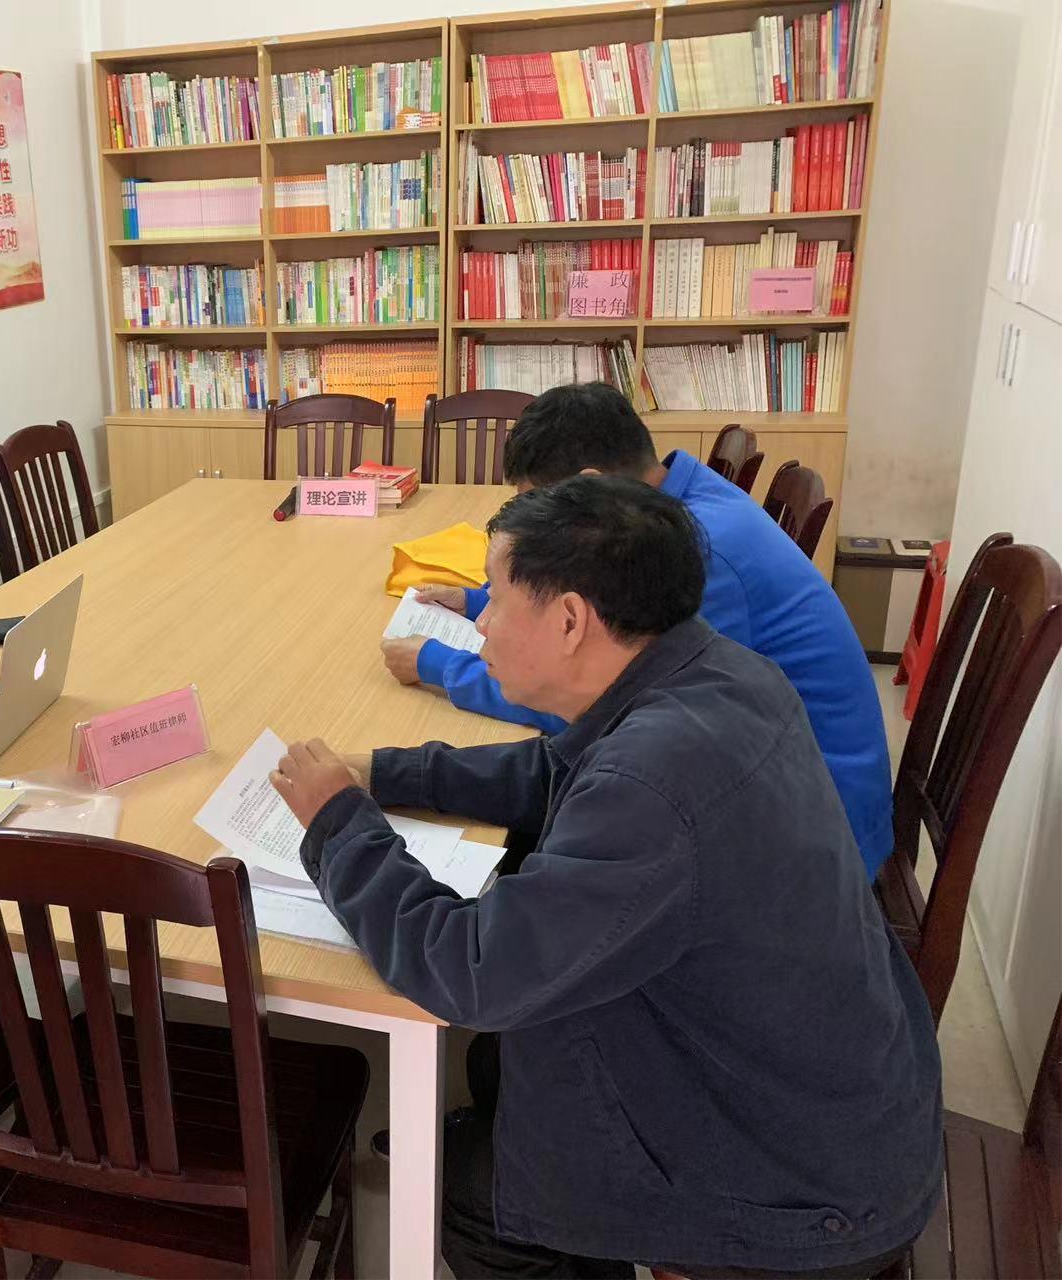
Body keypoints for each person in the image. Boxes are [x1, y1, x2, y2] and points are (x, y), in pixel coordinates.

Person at [274, 477, 942, 1279]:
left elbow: (467, 971)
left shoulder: (652, 783)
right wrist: (387, 772)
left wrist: (340, 826)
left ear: (568, 620)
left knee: (466, 1190)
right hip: (836, 1105)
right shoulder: (715, 672)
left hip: (798, 1197)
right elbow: (558, 770)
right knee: (497, 1064)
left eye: (496, 598)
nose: (480, 622)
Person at [380, 382, 893, 878]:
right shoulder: (677, 504)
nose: (533, 527)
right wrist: (480, 601)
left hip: (809, 840)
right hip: (770, 785)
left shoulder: (699, 553)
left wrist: (441, 665)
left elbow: (593, 696)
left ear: (590, 486)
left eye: (540, 508)